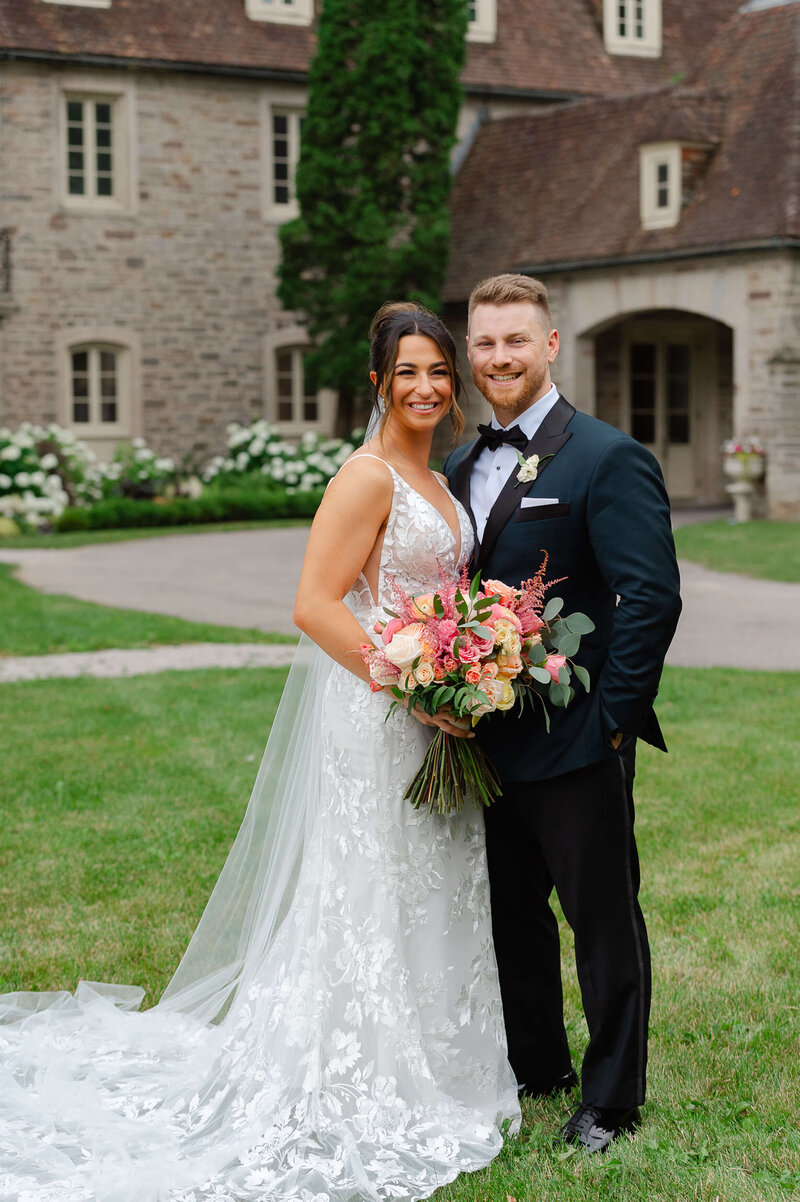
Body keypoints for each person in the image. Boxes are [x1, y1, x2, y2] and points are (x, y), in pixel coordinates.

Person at [0, 303, 519, 1201]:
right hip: (382, 714)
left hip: (434, 710)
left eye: (439, 370)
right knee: (372, 887)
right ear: (378, 385)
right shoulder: (365, 478)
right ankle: (358, 1072)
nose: (427, 386)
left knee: (434, 878)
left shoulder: (437, 479)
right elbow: (315, 605)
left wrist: (465, 664)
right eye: (408, 372)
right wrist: (417, 690)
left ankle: (445, 1058)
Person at [444, 273, 682, 1153]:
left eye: (516, 340)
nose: (498, 357)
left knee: (603, 920)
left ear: (550, 345)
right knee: (508, 913)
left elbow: (648, 597)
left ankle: (613, 1096)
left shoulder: (606, 456)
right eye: (485, 343)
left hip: (579, 739)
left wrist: (612, 721)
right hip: (484, 736)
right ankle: (536, 1064)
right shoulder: (461, 463)